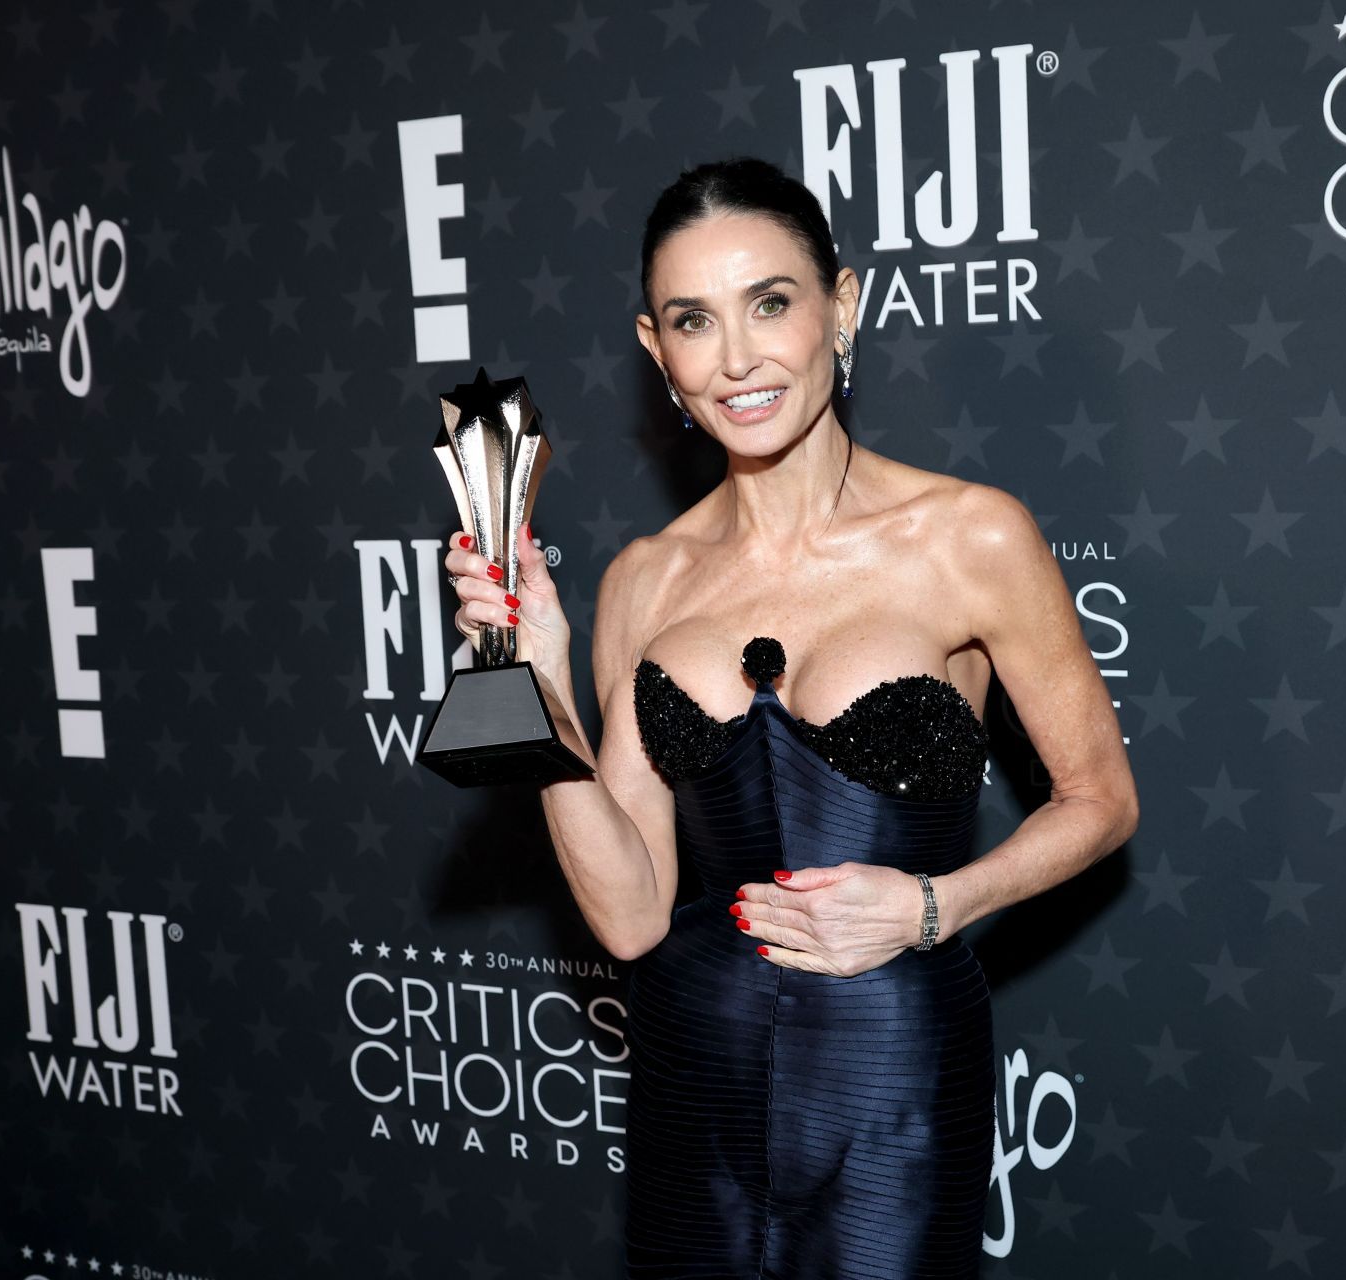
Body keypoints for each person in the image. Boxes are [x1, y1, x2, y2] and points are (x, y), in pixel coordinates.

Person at [444, 156, 1138, 1278]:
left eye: (770, 302)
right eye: (693, 321)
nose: (738, 359)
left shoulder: (970, 536)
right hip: (694, 1076)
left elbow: (1102, 799)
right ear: (654, 349)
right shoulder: (645, 581)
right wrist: (544, 677)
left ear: (842, 307)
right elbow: (627, 916)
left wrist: (932, 905)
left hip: (893, 1075)